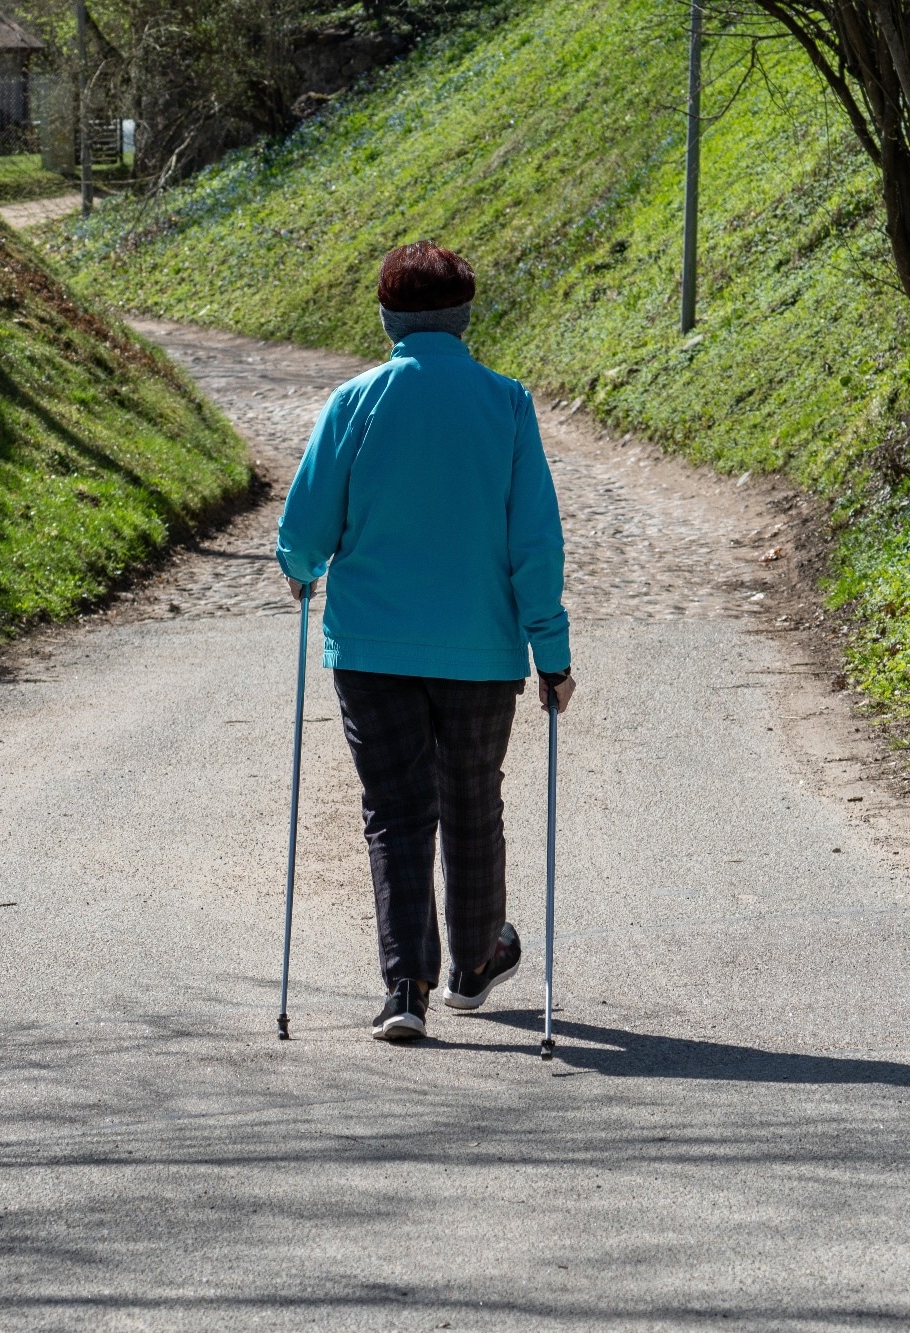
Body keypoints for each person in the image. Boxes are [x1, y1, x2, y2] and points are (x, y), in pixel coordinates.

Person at [276, 240, 575, 1043]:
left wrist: (299, 569)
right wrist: (553, 653)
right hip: (481, 652)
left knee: (397, 812)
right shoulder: (506, 404)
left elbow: (305, 529)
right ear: (466, 316)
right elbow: (534, 544)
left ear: (387, 317)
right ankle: (475, 965)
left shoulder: (354, 401)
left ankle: (405, 986)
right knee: (473, 802)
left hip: (371, 648)